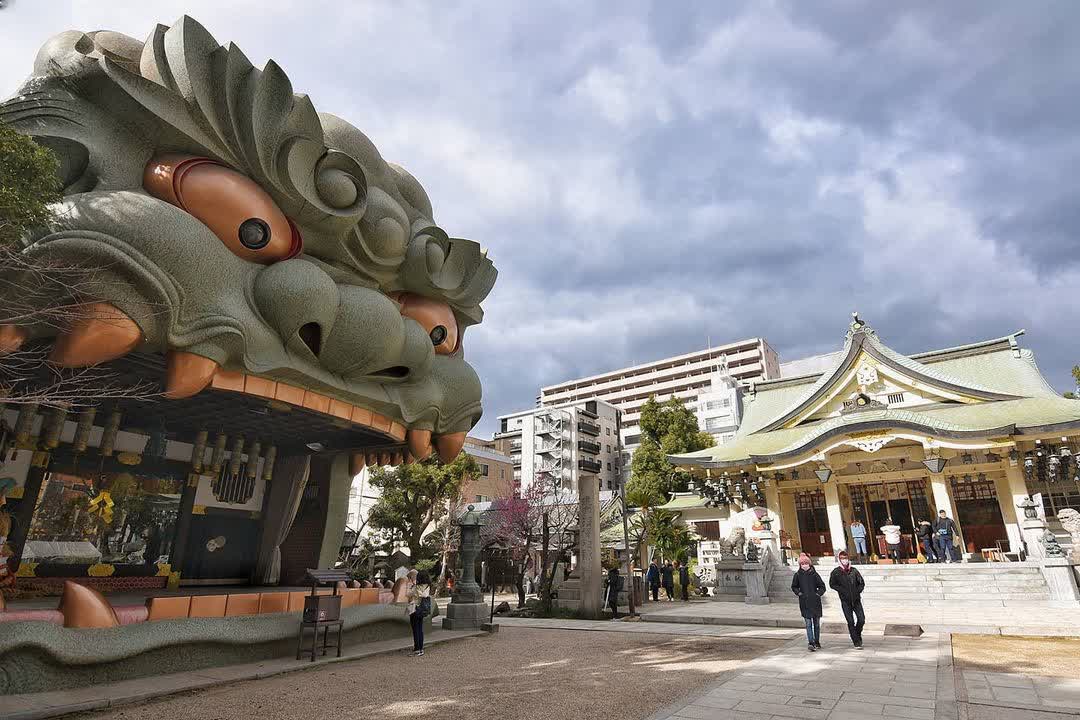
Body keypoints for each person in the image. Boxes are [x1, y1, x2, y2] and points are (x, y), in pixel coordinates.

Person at [828, 550, 866, 649]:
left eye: (846, 558)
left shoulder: (854, 571)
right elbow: (832, 584)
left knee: (861, 619)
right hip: (845, 601)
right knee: (850, 621)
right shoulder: (836, 572)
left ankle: (857, 634)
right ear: (839, 560)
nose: (844, 560)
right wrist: (842, 590)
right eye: (842, 559)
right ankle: (856, 641)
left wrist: (857, 591)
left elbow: (861, 583)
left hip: (856, 600)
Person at [791, 552, 826, 651]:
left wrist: (818, 594)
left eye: (806, 563)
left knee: (816, 624)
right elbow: (794, 586)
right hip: (805, 602)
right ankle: (811, 642)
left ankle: (817, 641)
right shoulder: (797, 575)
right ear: (800, 565)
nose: (804, 565)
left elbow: (822, 586)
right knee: (808, 624)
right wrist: (799, 593)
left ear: (809, 564)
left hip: (815, 602)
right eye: (802, 564)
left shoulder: (814, 574)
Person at [406, 570, 431, 656]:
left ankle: (417, 649)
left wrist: (410, 585)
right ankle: (420, 648)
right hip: (422, 610)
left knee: (415, 630)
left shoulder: (416, 587)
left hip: (414, 609)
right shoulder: (427, 587)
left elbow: (408, 595)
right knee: (420, 630)